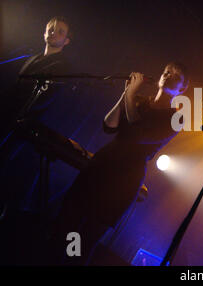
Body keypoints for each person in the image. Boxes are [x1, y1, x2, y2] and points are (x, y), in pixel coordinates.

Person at [49, 62, 189, 265]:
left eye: (176, 76)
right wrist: (125, 94)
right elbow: (109, 125)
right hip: (103, 164)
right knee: (67, 223)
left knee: (86, 238)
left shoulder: (176, 117)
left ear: (183, 88)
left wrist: (131, 96)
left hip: (125, 178)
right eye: (166, 72)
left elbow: (138, 133)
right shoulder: (139, 101)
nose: (168, 75)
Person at [0, 16, 72, 217]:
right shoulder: (31, 59)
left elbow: (48, 99)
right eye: (50, 28)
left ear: (66, 41)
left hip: (25, 126)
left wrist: (24, 118)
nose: (53, 32)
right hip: (8, 117)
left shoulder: (61, 66)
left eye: (59, 31)